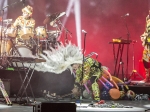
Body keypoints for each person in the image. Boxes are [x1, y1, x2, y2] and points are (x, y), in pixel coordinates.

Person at [140, 10, 150, 83]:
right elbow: (146, 31)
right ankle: (147, 78)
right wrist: (143, 36)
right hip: (147, 44)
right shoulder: (148, 18)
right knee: (145, 61)